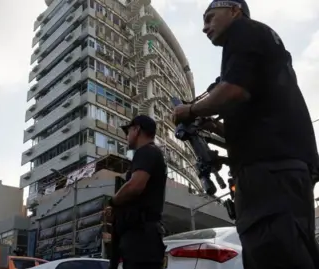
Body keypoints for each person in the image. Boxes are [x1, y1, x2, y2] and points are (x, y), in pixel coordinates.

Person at [173, 0, 319, 268]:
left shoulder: (244, 32)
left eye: (210, 18)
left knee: (273, 253)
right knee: (292, 251)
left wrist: (190, 110)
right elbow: (255, 114)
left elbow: (232, 91)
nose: (205, 28)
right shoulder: (261, 46)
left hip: (270, 171)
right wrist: (215, 126)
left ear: (234, 10)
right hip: (283, 168)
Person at [106, 115, 167, 269]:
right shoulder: (150, 153)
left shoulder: (146, 152)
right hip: (142, 237)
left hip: (142, 238)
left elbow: (135, 186)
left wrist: (112, 202)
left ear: (137, 129)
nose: (127, 136)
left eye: (128, 130)